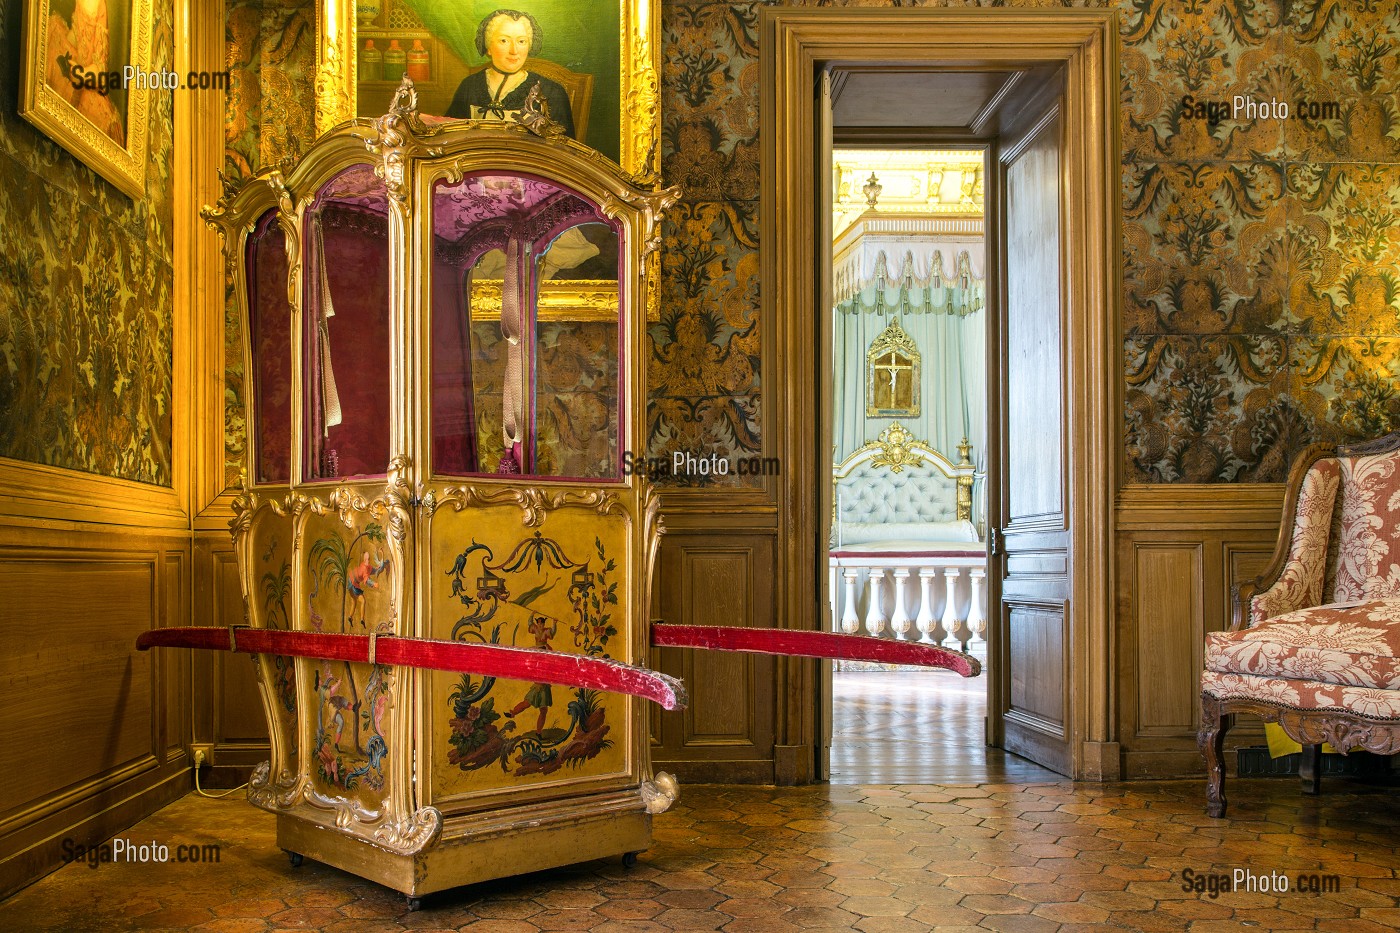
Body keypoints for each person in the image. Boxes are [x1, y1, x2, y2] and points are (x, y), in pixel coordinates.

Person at [445, 9, 575, 138]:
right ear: (488, 46)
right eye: (504, 41)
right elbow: (451, 137)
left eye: (521, 41)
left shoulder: (551, 92)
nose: (514, 51)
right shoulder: (470, 86)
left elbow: (563, 146)